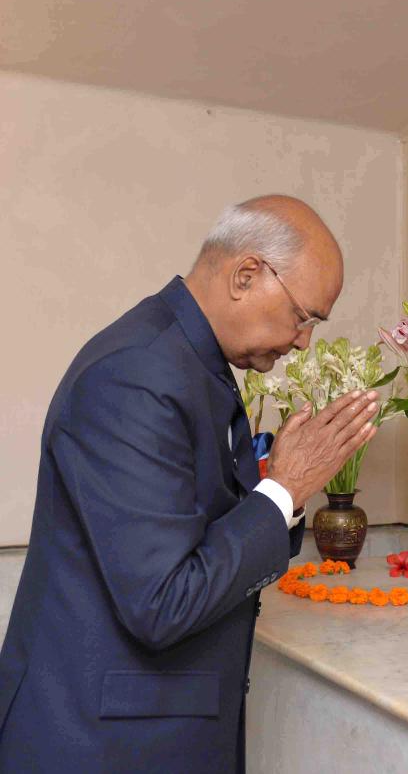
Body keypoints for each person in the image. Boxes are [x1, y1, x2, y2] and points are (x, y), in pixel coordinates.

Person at [0, 195, 378, 772]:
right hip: (99, 744)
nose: (304, 341)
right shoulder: (136, 375)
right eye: (304, 317)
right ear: (246, 275)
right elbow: (163, 602)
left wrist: (284, 492)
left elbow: (204, 530)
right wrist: (284, 488)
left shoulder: (185, 359)